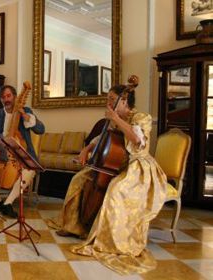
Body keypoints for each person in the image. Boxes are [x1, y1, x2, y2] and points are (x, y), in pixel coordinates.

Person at [48, 84, 168, 275]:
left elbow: (137, 141)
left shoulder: (141, 117)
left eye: (112, 99)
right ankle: (75, 226)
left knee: (116, 190)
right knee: (79, 179)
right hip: (116, 163)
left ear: (125, 99)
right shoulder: (114, 119)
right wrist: (85, 150)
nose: (108, 102)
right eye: (108, 99)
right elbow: (100, 138)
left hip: (137, 167)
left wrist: (116, 119)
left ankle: (108, 240)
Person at [0, 85, 45, 218]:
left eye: (9, 96)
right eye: (3, 97)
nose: (6, 99)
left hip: (20, 154)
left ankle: (7, 203)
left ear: (15, 97)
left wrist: (24, 115)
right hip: (1, 153)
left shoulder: (25, 111)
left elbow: (41, 129)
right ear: (0, 99)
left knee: (29, 171)